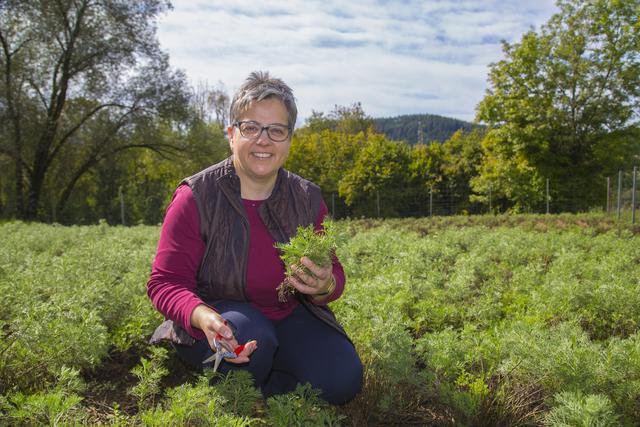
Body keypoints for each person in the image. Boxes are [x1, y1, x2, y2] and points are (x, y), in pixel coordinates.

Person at [147, 71, 362, 405]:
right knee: (252, 340)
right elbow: (165, 282)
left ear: (289, 139)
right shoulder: (196, 196)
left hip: (290, 314)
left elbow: (334, 273)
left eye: (276, 130)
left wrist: (325, 285)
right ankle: (239, 383)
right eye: (251, 128)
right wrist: (203, 316)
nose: (264, 140)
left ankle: (264, 393)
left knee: (342, 380)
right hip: (219, 318)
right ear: (232, 134)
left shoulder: (306, 198)